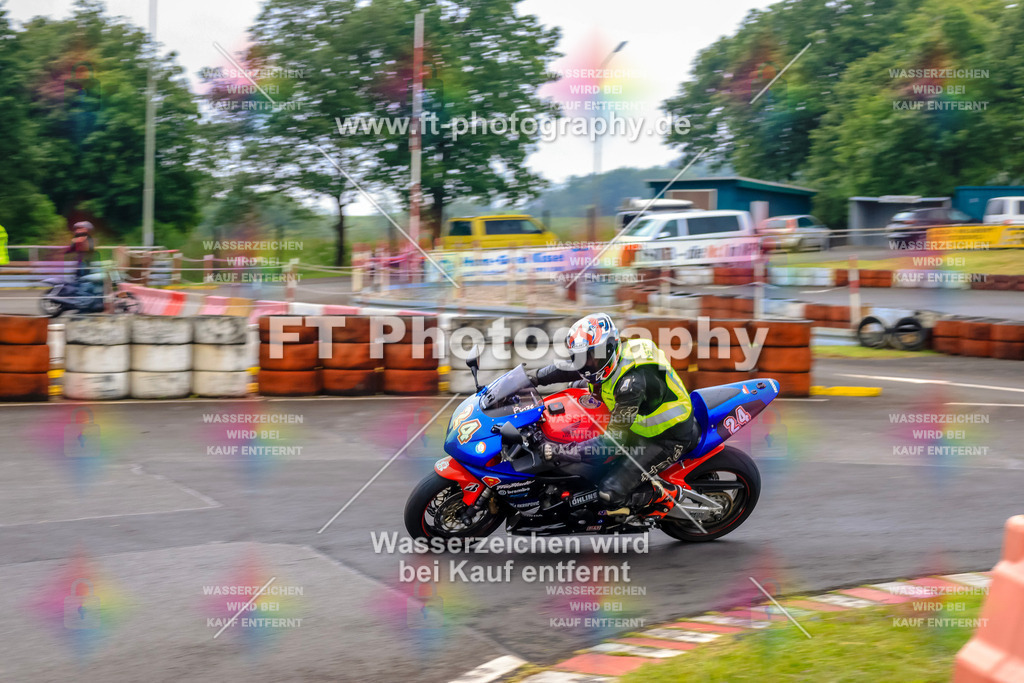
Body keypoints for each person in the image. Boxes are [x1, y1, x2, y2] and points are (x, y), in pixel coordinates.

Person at [529, 313, 700, 518]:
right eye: (583, 357)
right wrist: (532, 378)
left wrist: (563, 451)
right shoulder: (609, 360)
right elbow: (568, 369)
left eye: (593, 356)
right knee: (574, 393)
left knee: (609, 493)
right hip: (633, 420)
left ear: (610, 348)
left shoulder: (632, 384)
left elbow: (613, 441)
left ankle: (664, 496)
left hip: (665, 437)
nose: (588, 363)